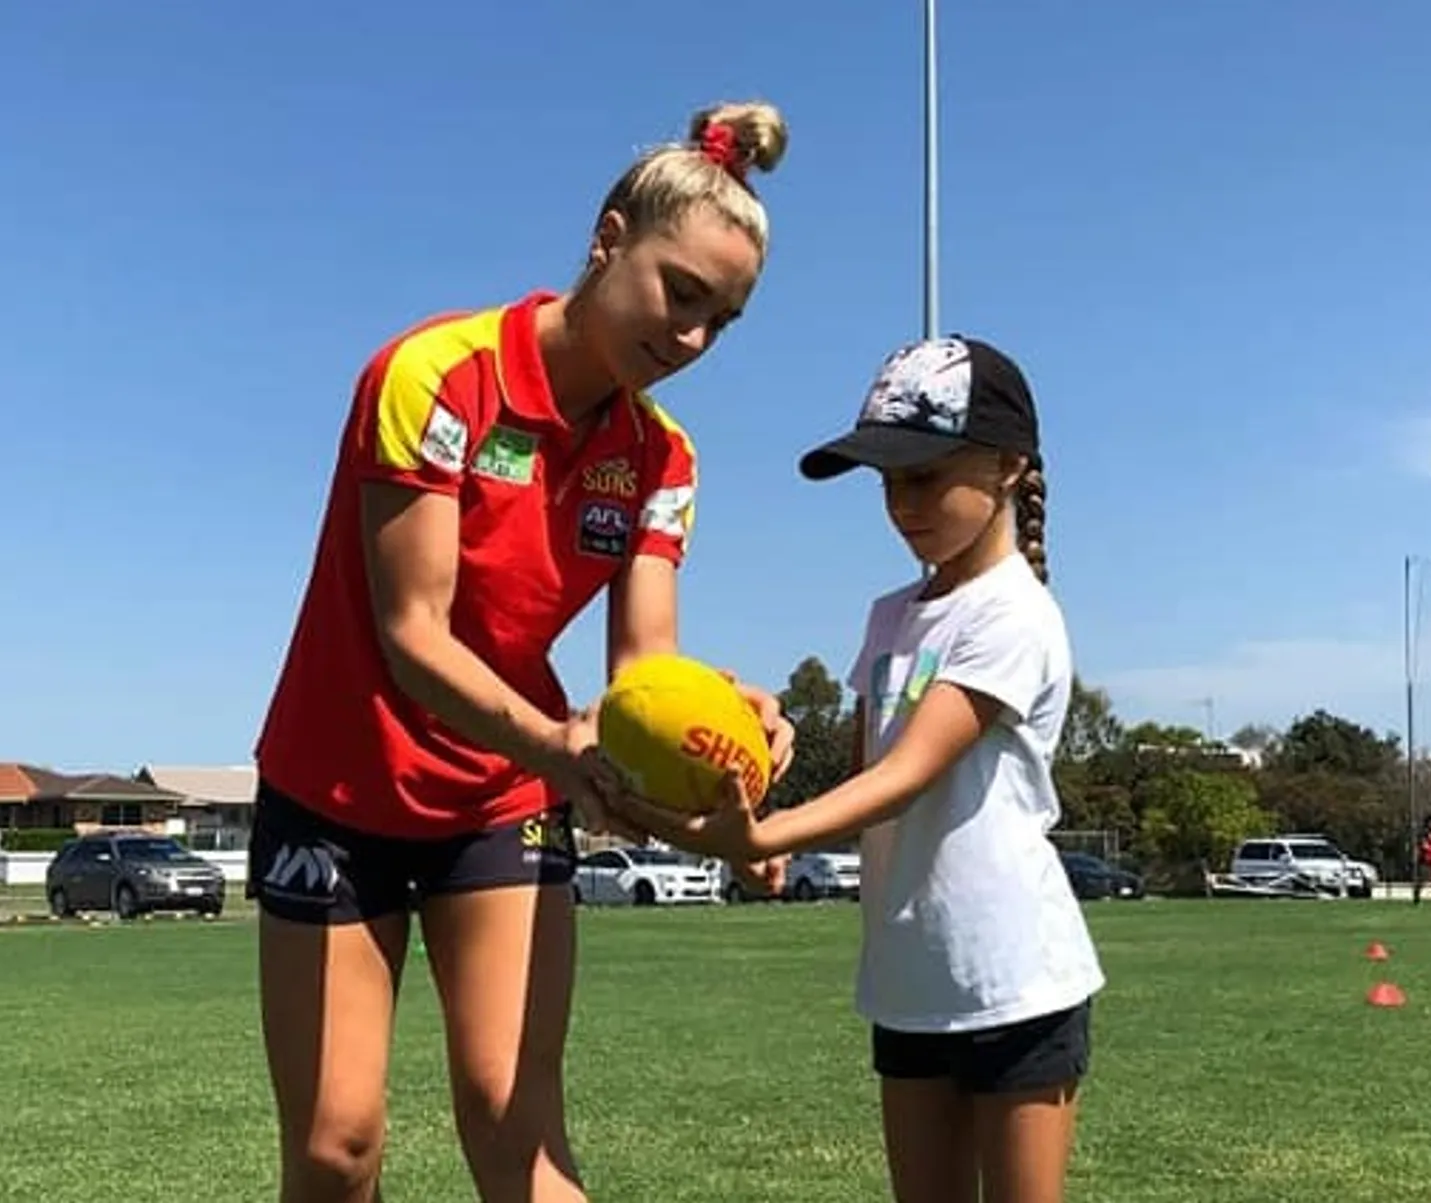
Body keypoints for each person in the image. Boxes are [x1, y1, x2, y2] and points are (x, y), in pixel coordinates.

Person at [248, 101, 799, 1203]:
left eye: (720, 322)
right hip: (337, 783)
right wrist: (557, 747)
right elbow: (413, 635)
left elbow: (642, 667)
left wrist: (720, 723)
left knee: (518, 1134)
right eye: (677, 293)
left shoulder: (663, 457)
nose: (689, 339)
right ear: (606, 241)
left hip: (501, 797)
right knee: (333, 1149)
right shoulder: (432, 375)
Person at [615, 336, 1104, 1203]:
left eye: (922, 474)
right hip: (907, 981)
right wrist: (754, 783)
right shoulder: (889, 617)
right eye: (886, 480)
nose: (900, 502)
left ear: (1008, 468)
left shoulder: (1018, 614)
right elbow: (859, 781)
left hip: (1017, 979)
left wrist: (759, 832)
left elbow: (906, 775)